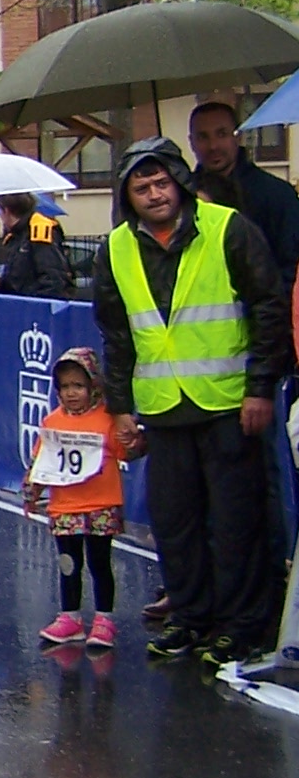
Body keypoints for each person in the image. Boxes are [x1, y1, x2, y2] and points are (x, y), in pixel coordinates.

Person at [95, 138, 289, 666]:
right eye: (142, 187)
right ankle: (190, 617)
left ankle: (239, 626)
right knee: (175, 523)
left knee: (233, 523)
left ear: (180, 183)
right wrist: (120, 409)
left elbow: (269, 306)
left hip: (228, 404)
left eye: (162, 183)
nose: (155, 194)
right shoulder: (115, 247)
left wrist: (260, 387)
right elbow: (116, 335)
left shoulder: (228, 228)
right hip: (163, 407)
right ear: (127, 196)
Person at [23, 349, 125, 651]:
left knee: (99, 562)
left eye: (78, 386)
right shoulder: (52, 421)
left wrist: (136, 441)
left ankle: (104, 618)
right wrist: (31, 493)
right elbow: (41, 461)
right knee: (68, 562)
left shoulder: (107, 418)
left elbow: (127, 450)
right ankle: (70, 617)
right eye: (65, 387)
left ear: (93, 386)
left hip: (100, 504)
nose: (71, 393)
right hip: (65, 506)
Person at [191, 99, 299, 289]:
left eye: (221, 134)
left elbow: (290, 266)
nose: (213, 145)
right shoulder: (182, 198)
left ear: (238, 137)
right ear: (191, 142)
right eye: (203, 137)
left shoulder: (277, 194)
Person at [0, 193, 74, 300]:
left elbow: (52, 277)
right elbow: (16, 278)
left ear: (6, 211)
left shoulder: (38, 231)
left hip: (34, 306)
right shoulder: (14, 235)